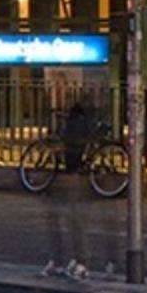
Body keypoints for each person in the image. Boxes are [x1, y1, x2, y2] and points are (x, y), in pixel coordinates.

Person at [41, 85, 106, 279]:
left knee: (75, 219)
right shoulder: (78, 117)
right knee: (62, 220)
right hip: (69, 180)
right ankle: (65, 259)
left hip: (76, 181)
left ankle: (79, 261)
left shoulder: (79, 120)